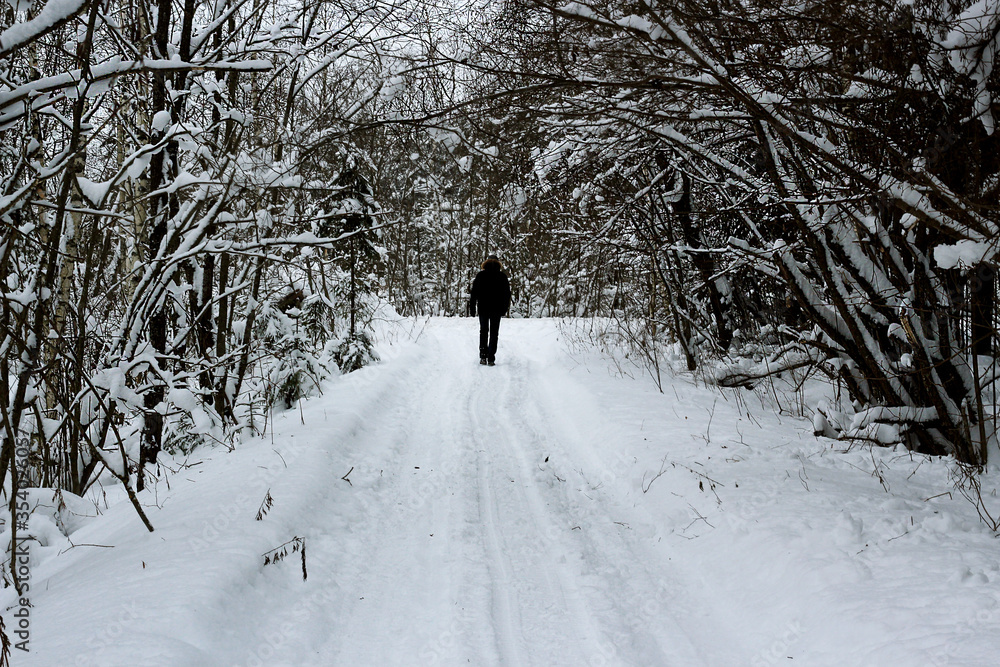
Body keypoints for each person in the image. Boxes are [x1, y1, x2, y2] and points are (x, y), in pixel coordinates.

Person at [468, 254, 511, 366]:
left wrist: (472, 308)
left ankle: (483, 356)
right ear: (498, 264)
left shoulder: (481, 275)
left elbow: (474, 294)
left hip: (483, 308)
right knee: (494, 333)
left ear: (485, 263)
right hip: (497, 309)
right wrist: (504, 309)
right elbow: (507, 295)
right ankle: (491, 358)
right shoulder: (502, 276)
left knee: (483, 331)